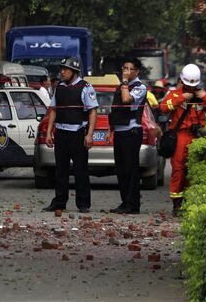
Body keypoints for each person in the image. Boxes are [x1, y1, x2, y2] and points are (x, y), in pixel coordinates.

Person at [160, 64, 206, 217]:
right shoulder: (175, 94)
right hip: (180, 136)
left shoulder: (202, 95)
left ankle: (192, 202)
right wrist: (181, 98)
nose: (190, 87)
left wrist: (205, 97)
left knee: (194, 171)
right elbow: (163, 108)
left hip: (197, 136)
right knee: (178, 170)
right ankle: (177, 205)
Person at [42, 57, 99, 214]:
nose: (62, 72)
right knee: (60, 170)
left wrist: (90, 134)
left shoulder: (85, 87)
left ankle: (83, 203)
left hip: (77, 134)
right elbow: (53, 109)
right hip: (61, 133)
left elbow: (93, 111)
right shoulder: (59, 87)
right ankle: (59, 202)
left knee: (81, 170)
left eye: (65, 69)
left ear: (74, 71)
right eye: (62, 69)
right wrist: (49, 132)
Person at [107, 59, 147, 214]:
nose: (126, 71)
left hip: (131, 132)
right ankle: (125, 202)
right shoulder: (122, 86)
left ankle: (133, 204)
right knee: (121, 170)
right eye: (124, 68)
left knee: (131, 170)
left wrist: (124, 82)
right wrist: (110, 130)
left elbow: (126, 100)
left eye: (130, 69)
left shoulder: (140, 87)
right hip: (119, 132)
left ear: (137, 72)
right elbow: (115, 108)